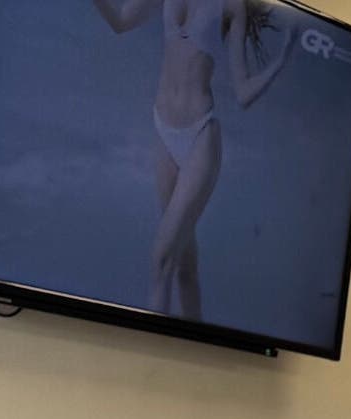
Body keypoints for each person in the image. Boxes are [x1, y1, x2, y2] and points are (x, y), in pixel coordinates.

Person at [91, 0, 294, 319]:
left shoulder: (232, 7)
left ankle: (152, 353)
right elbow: (119, 21)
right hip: (163, 129)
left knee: (161, 258)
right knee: (184, 267)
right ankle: (192, 341)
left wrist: (281, 61)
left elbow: (242, 93)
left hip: (200, 137)